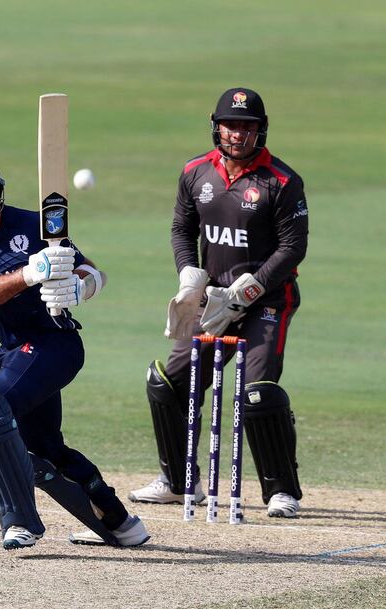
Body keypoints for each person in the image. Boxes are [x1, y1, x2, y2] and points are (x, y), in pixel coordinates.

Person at [0, 153, 149, 549]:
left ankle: (20, 522)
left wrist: (80, 288)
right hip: (19, 353)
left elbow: (91, 270)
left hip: (55, 344)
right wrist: (31, 273)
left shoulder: (36, 224)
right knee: (45, 449)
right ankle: (119, 521)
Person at [129, 88, 309, 518]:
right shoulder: (196, 173)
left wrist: (248, 292)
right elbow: (181, 228)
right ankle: (177, 481)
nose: (237, 134)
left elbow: (292, 248)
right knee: (166, 384)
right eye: (231, 125)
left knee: (259, 394)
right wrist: (190, 276)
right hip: (213, 304)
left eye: (247, 126)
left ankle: (281, 491)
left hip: (268, 302)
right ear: (217, 126)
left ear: (260, 130)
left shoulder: (282, 182)